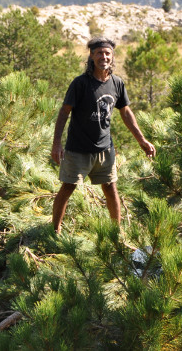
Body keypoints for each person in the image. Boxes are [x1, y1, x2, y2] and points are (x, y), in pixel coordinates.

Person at [51, 36, 156, 234]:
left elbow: (125, 112)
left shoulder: (117, 83)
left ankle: (116, 233)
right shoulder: (80, 83)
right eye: (99, 53)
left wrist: (142, 140)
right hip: (78, 149)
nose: (103, 57)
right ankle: (55, 230)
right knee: (67, 188)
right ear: (91, 56)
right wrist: (57, 144)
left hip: (105, 149)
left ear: (112, 56)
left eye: (107, 53)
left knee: (110, 188)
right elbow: (64, 112)